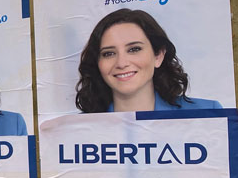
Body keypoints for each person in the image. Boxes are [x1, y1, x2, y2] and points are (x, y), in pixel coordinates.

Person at [76, 8, 222, 113]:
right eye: (108, 53)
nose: (121, 63)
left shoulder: (209, 114)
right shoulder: (77, 130)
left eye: (134, 49)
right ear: (98, 62)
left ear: (158, 56)